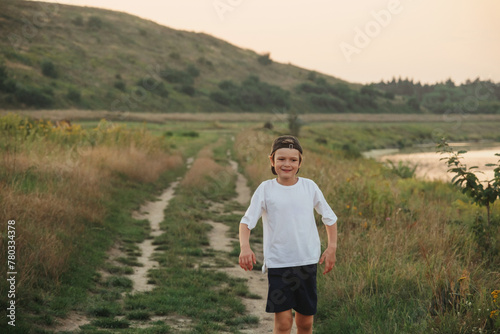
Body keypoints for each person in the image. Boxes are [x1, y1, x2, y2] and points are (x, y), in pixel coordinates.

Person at [239, 135, 338, 334]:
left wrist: (331, 248)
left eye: (293, 160)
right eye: (281, 159)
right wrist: (245, 247)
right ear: (272, 160)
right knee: (284, 324)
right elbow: (246, 222)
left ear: (300, 162)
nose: (287, 164)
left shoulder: (309, 187)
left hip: (306, 263)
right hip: (279, 263)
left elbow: (329, 217)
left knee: (305, 324)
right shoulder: (265, 189)